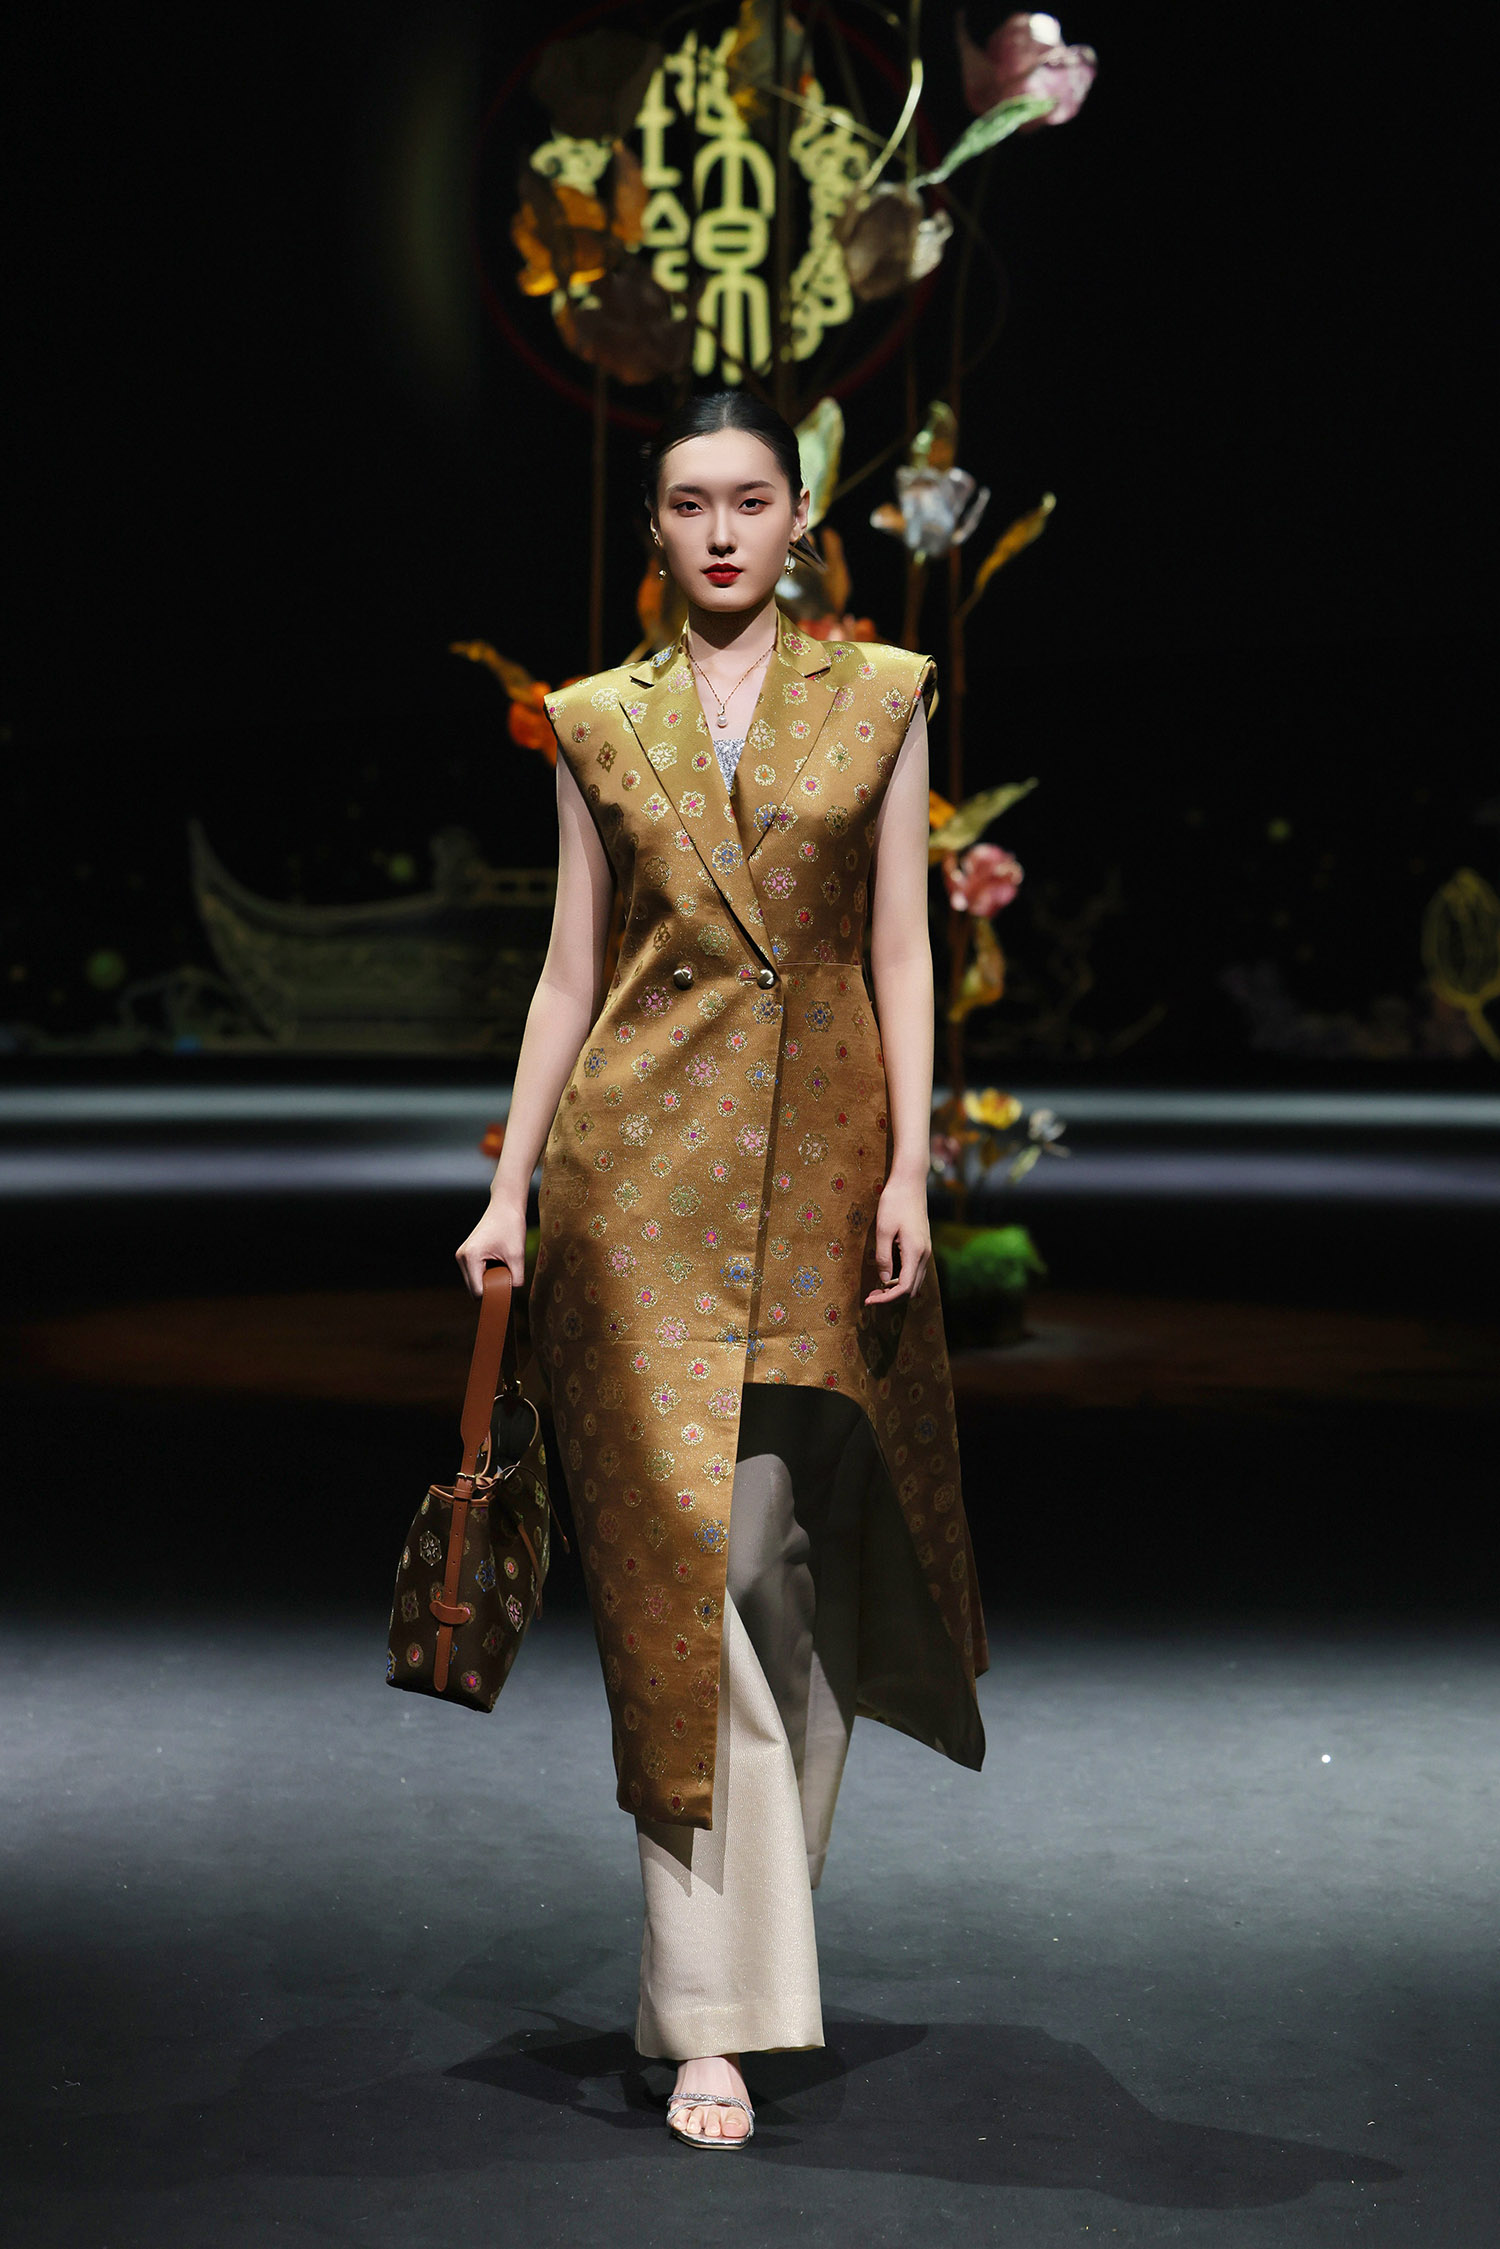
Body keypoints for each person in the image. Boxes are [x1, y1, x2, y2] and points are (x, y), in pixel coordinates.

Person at [456, 389, 987, 2148]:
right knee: (693, 1576)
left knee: (785, 1573)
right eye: (690, 505)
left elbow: (902, 947)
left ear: (800, 514)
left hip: (821, 1173)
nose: (722, 533)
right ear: (657, 529)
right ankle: (713, 2015)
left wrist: (910, 1163)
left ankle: (749, 1949)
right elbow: (568, 972)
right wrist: (512, 1189)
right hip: (638, 1193)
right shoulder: (596, 720)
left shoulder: (884, 695)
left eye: (751, 500)